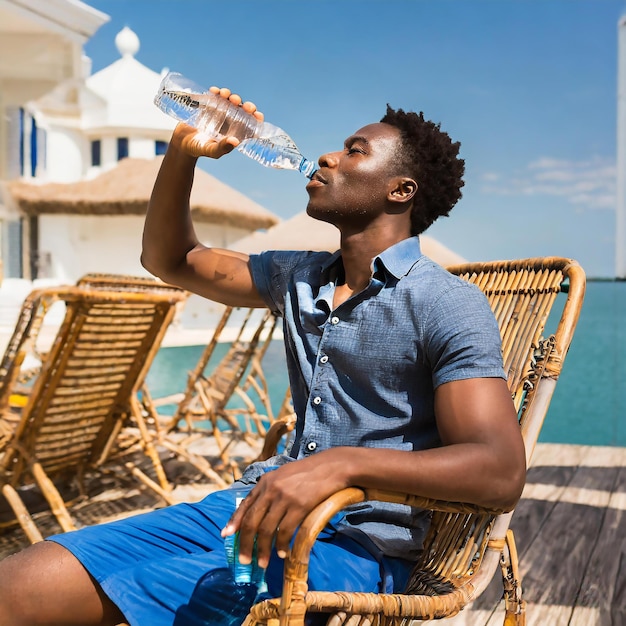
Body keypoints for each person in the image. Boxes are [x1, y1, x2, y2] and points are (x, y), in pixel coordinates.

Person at [0, 87, 526, 626]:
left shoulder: (445, 303)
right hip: (246, 507)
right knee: (21, 585)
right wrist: (183, 150)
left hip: (352, 546)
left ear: (401, 191)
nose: (328, 157)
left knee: (127, 598)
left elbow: (499, 468)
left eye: (355, 150)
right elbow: (170, 258)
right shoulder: (298, 277)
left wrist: (339, 465)